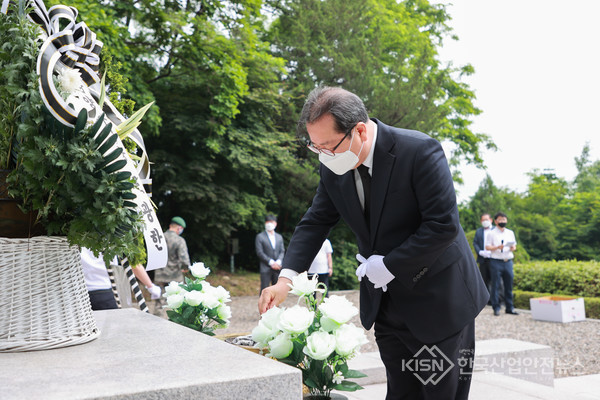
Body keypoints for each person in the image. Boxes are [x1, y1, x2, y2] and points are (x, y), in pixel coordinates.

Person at [258, 86, 489, 400]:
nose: (323, 155)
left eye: (328, 145)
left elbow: (443, 225)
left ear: (360, 131)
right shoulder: (333, 165)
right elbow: (315, 221)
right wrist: (285, 280)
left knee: (440, 394)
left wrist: (390, 265)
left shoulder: (419, 151)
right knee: (400, 392)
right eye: (315, 147)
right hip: (387, 305)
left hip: (438, 300)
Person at [81, 247, 161, 311]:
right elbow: (133, 264)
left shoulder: (71, 235)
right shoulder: (110, 233)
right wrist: (150, 286)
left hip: (80, 294)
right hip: (107, 290)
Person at [153, 216, 191, 314]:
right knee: (179, 302)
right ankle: (178, 325)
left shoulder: (159, 238)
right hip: (175, 276)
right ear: (179, 228)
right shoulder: (179, 240)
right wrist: (186, 268)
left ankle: (155, 323)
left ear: (170, 225)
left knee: (159, 304)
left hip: (160, 275)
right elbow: (184, 259)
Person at [485, 212, 518, 316]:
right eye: (500, 219)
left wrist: (513, 248)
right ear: (495, 221)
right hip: (496, 261)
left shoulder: (510, 232)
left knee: (509, 284)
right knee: (496, 285)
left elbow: (514, 246)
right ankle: (496, 307)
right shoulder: (491, 233)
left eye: (504, 219)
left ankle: (509, 307)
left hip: (508, 261)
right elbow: (487, 247)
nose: (502, 221)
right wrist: (497, 247)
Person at [255, 214, 285, 294]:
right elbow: (259, 252)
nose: (269, 224)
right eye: (267, 222)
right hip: (266, 267)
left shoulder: (279, 237)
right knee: (264, 289)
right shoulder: (260, 236)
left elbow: (282, 251)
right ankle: (263, 306)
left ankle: (276, 306)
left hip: (278, 267)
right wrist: (271, 262)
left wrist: (278, 262)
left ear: (275, 224)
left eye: (271, 222)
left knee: (277, 290)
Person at [473, 213, 493, 299]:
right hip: (482, 259)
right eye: (483, 220)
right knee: (484, 280)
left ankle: (497, 300)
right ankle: (487, 299)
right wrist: (480, 252)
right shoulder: (479, 231)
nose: (485, 221)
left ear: (491, 220)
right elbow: (475, 242)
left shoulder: (495, 230)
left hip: (493, 258)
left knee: (495, 280)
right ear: (481, 221)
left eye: (487, 219)